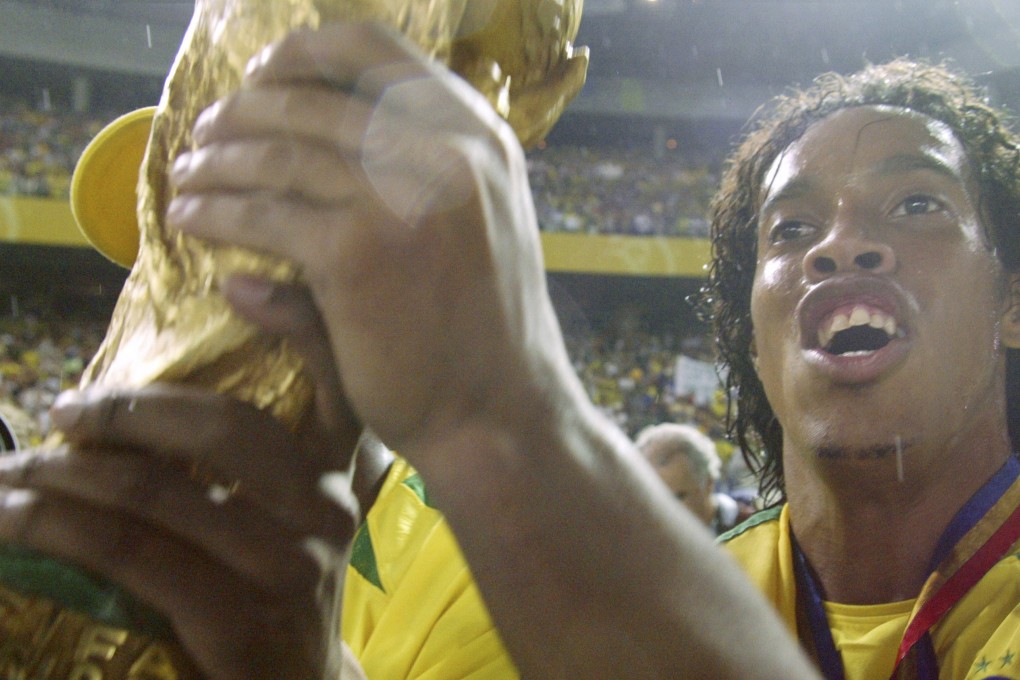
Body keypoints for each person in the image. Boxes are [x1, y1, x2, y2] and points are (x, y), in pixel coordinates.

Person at [0, 21, 820, 679]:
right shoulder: (78, 518)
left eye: (265, 218)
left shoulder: (509, 560)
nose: (199, 291)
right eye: (167, 254)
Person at [704, 59, 1020, 679]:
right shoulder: (660, 623)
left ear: (1010, 305)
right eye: (792, 228)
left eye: (916, 203)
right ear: (753, 348)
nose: (840, 243)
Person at [635, 422, 740, 533]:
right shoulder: (643, 542)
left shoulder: (748, 530)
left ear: (709, 483)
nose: (665, 512)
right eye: (652, 501)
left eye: (677, 498)